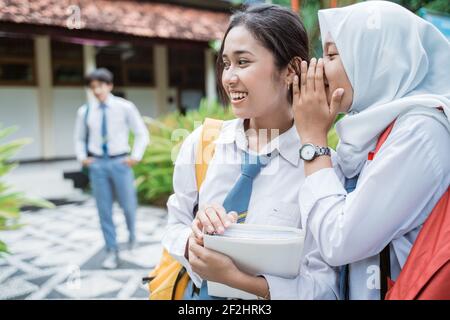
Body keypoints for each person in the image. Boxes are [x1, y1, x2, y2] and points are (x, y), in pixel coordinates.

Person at [162, 4, 340, 300]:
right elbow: (175, 223)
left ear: (292, 70)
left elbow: (325, 288)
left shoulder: (320, 168)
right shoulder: (202, 143)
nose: (229, 78)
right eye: (226, 63)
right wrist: (192, 241)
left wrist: (239, 280)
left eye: (243, 62)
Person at [292, 1, 450, 299]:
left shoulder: (423, 130)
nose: (320, 68)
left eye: (332, 54)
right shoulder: (371, 132)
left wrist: (313, 141)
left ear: (377, 58)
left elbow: (339, 239)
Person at [74, 68, 150, 269]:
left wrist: (135, 156)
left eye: (100, 86)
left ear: (110, 85)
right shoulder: (85, 111)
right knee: (104, 210)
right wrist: (83, 158)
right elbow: (80, 138)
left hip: (120, 162)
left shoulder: (125, 107)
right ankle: (111, 250)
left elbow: (141, 133)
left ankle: (132, 235)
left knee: (128, 206)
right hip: (98, 165)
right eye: (93, 87)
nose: (97, 90)